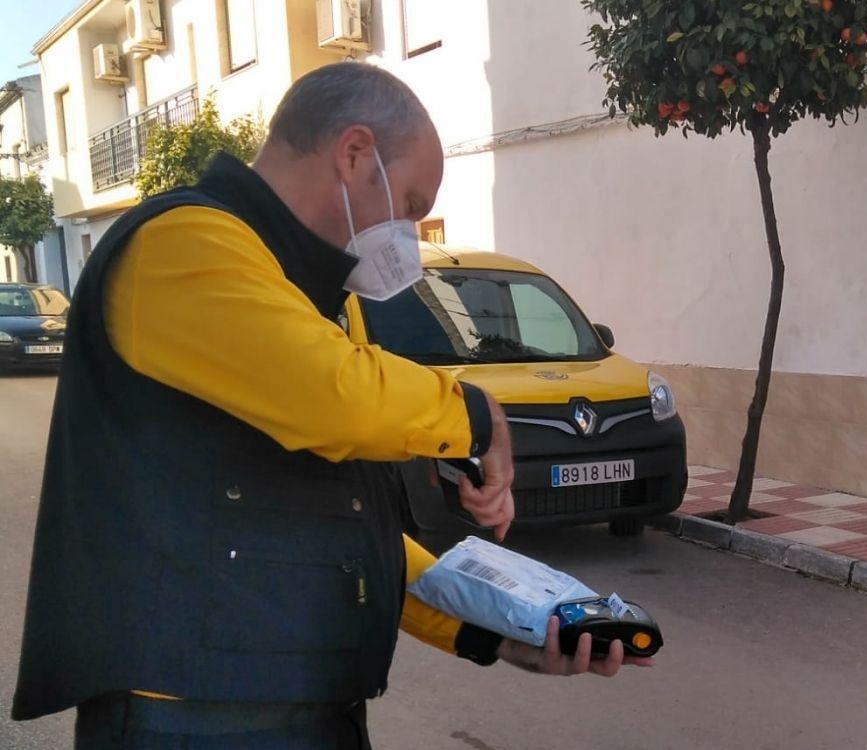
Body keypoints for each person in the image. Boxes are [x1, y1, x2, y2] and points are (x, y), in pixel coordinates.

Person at [11, 63, 650, 749]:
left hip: (296, 711)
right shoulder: (179, 245)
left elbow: (342, 533)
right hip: (194, 717)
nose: (409, 234)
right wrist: (476, 414)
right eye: (409, 204)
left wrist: (491, 629)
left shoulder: (298, 292)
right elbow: (339, 397)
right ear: (353, 155)